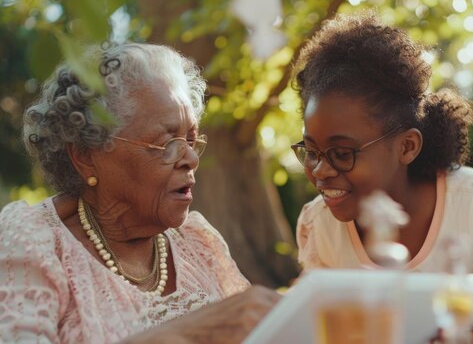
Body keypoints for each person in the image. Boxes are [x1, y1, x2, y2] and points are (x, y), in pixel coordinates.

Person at [291, 11, 473, 343]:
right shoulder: (320, 225)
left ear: (407, 146)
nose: (321, 171)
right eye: (311, 152)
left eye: (342, 154)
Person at [0, 42, 280, 343]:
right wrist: (186, 332)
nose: (191, 159)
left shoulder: (199, 243)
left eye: (191, 139)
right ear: (86, 156)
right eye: (167, 142)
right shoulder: (35, 241)